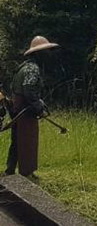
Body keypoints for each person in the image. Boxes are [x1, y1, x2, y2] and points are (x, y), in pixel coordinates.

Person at [5, 36, 59, 178]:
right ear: (38, 53)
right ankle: (26, 172)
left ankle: (10, 169)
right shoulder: (32, 69)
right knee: (27, 140)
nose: (49, 54)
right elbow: (28, 88)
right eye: (46, 51)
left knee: (17, 139)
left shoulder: (22, 67)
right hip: (25, 109)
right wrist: (38, 106)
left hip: (18, 108)